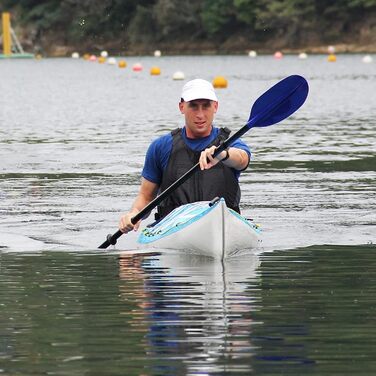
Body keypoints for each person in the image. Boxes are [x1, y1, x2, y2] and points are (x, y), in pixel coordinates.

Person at [119, 78, 251, 233]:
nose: (200, 114)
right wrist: (134, 214)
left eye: (206, 106)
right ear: (182, 107)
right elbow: (146, 197)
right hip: (172, 229)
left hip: (224, 227)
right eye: (193, 106)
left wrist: (222, 154)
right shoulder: (161, 147)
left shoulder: (231, 143)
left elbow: (242, 159)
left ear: (215, 106)